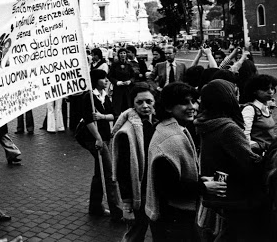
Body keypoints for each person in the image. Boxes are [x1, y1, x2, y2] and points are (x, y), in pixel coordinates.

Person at [145, 82, 226, 241]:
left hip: (172, 216)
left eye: (193, 101)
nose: (192, 107)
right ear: (168, 107)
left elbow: (174, 175)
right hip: (173, 217)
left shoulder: (170, 128)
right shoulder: (170, 138)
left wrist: (201, 180)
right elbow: (169, 187)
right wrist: (203, 187)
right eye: (184, 102)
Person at [194, 79, 268, 241]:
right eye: (235, 93)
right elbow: (249, 163)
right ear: (227, 98)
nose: (238, 96)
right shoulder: (228, 128)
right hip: (238, 196)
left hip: (220, 192)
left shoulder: (206, 123)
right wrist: (266, 155)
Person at [112, 83, 157, 242]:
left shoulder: (157, 122)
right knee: (136, 233)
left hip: (155, 188)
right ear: (133, 104)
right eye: (140, 102)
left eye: (149, 101)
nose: (145, 106)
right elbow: (123, 170)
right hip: (140, 192)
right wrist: (127, 204)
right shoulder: (127, 132)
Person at [81, 69, 122, 220]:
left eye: (106, 78)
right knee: (110, 173)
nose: (106, 81)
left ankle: (95, 207)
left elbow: (114, 115)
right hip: (95, 139)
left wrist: (102, 116)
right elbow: (88, 121)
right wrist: (97, 138)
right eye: (103, 78)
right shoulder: (89, 96)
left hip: (106, 137)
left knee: (100, 173)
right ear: (95, 80)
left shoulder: (105, 96)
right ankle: (117, 212)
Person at [241, 74, 277, 155]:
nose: (270, 91)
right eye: (265, 89)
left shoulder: (266, 108)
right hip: (259, 155)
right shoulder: (250, 109)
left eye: (272, 88)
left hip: (270, 151)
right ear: (254, 91)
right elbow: (244, 136)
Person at [108, 48, 135, 118]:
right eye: (121, 53)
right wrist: (117, 82)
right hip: (118, 89)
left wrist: (130, 81)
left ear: (126, 55)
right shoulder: (114, 65)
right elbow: (110, 76)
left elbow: (134, 76)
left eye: (124, 53)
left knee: (128, 108)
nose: (123, 55)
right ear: (118, 54)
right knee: (117, 108)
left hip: (127, 89)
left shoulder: (129, 65)